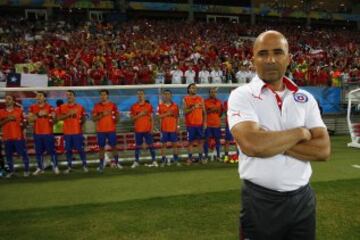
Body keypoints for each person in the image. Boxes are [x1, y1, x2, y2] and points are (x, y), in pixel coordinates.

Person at [228, 30, 331, 240]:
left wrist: (270, 141)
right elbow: (252, 145)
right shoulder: (241, 95)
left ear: (288, 58)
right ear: (253, 60)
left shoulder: (306, 98)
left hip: (303, 200)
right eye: (263, 53)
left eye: (278, 52)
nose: (270, 59)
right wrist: (300, 132)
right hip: (260, 201)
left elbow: (323, 150)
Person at [28, 91, 60, 175]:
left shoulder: (50, 107)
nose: (38, 97)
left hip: (48, 132)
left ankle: (55, 166)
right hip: (37, 133)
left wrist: (53, 117)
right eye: (37, 96)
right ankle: (40, 168)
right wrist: (38, 114)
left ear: (44, 98)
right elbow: (30, 120)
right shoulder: (32, 107)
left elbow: (55, 121)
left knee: (51, 151)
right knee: (38, 152)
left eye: (40, 96)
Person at [57, 90, 88, 173]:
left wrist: (83, 130)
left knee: (80, 149)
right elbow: (58, 118)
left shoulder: (80, 107)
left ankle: (84, 165)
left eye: (70, 95)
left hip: (77, 132)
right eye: (67, 95)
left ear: (74, 96)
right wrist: (67, 114)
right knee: (68, 150)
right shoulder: (62, 107)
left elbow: (84, 119)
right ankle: (69, 167)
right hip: (67, 132)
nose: (69, 96)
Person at [0, 95, 30, 178]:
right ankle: (12, 171)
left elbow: (25, 124)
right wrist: (7, 119)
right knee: (8, 155)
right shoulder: (1, 112)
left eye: (9, 99)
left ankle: (27, 170)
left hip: (18, 137)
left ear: (13, 101)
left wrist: (22, 123)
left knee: (23, 154)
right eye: (6, 99)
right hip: (7, 137)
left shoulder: (19, 111)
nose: (6, 100)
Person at [92, 89, 122, 172]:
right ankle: (101, 165)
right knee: (101, 148)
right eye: (101, 95)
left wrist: (117, 118)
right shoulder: (97, 106)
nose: (102, 96)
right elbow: (94, 118)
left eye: (104, 95)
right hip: (101, 131)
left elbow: (117, 117)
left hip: (111, 130)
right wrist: (102, 115)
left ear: (107, 96)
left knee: (114, 147)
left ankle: (117, 163)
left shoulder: (113, 105)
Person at [130, 90, 157, 168]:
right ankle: (136, 161)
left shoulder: (149, 106)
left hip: (148, 130)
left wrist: (152, 129)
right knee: (137, 146)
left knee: (151, 146)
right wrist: (140, 115)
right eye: (138, 94)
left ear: (144, 95)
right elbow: (132, 119)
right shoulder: (134, 106)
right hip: (138, 130)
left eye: (141, 94)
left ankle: (154, 160)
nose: (140, 96)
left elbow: (152, 118)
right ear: (137, 96)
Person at [183, 83, 207, 164]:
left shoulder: (200, 99)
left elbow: (204, 112)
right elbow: (185, 112)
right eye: (192, 88)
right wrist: (194, 107)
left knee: (200, 142)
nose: (194, 89)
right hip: (190, 125)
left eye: (195, 88)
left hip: (199, 124)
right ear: (188, 89)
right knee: (190, 142)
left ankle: (201, 158)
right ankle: (190, 158)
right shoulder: (185, 99)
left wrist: (205, 123)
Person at [157, 90, 180, 167]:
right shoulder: (160, 106)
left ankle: (176, 160)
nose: (167, 96)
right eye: (165, 94)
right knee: (163, 145)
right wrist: (167, 114)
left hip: (173, 128)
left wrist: (178, 126)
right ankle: (163, 161)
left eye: (168, 94)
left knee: (175, 145)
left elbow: (177, 117)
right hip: (164, 129)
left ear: (171, 96)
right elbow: (158, 117)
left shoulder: (175, 106)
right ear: (163, 96)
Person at [204, 87, 223, 162]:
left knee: (217, 141)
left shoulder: (219, 102)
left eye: (214, 92)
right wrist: (211, 110)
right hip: (208, 124)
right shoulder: (205, 101)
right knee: (206, 141)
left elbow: (221, 113)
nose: (213, 93)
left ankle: (218, 156)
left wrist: (216, 112)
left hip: (217, 124)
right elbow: (203, 113)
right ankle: (205, 157)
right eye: (211, 92)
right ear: (209, 93)